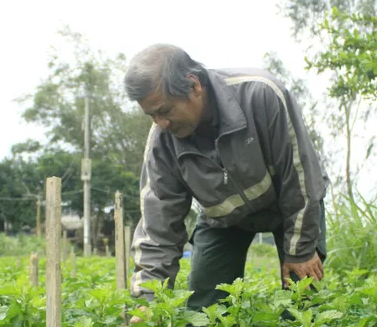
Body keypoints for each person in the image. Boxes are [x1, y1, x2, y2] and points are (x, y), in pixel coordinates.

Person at [124, 44, 328, 310]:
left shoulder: (261, 95)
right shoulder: (162, 140)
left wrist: (301, 250)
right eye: (152, 115)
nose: (161, 123)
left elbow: (300, 174)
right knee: (205, 311)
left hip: (291, 206)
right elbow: (158, 221)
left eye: (165, 111)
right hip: (223, 219)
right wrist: (148, 299)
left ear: (193, 86)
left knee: (302, 300)